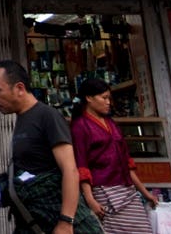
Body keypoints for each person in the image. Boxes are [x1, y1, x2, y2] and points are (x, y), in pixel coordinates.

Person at [0, 60, 102, 234]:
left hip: (61, 223)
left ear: (19, 88)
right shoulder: (22, 118)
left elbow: (70, 171)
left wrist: (66, 221)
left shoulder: (47, 116)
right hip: (36, 221)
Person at [69, 78, 157, 233]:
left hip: (127, 190)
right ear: (89, 98)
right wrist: (90, 200)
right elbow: (82, 166)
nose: (108, 102)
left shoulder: (111, 123)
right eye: (104, 98)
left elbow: (127, 163)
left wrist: (145, 193)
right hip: (104, 192)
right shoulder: (80, 126)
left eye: (109, 98)